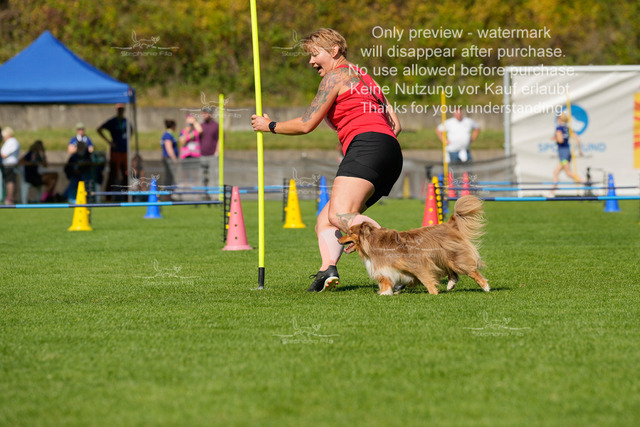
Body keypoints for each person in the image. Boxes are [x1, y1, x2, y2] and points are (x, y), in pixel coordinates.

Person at [251, 28, 402, 292]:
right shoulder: (366, 77)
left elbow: (306, 124)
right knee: (326, 219)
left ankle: (398, 265)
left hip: (367, 147)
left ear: (334, 51)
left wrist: (270, 126)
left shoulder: (336, 76)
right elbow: (395, 125)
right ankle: (327, 270)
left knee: (339, 214)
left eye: (314, 54)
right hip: (390, 151)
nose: (311, 62)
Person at [97, 103, 131, 196]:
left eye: (122, 109)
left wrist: (127, 141)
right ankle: (108, 196)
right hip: (116, 151)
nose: (121, 111)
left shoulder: (126, 121)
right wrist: (109, 142)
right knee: (113, 173)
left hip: (124, 151)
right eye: (119, 109)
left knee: (126, 174)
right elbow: (99, 129)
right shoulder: (113, 121)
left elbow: (131, 131)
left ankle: (126, 196)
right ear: (116, 110)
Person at [552, 112, 584, 186]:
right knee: (556, 172)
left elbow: (560, 140)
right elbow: (578, 139)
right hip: (567, 152)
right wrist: (580, 150)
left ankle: (584, 182)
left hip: (563, 153)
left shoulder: (559, 128)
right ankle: (552, 191)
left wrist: (555, 138)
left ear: (559, 119)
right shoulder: (568, 129)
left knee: (568, 173)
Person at [199, 106, 219, 190]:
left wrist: (217, 152)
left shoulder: (216, 126)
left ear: (210, 114)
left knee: (213, 177)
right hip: (202, 155)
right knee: (201, 177)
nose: (203, 115)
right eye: (203, 113)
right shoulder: (201, 126)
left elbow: (220, 139)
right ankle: (202, 194)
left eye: (205, 113)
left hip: (212, 156)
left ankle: (213, 195)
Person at [1, 126, 21, 204]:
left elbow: (4, 154)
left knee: (10, 181)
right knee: (8, 181)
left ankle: (10, 199)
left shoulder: (12, 142)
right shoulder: (9, 142)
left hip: (9, 165)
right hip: (7, 165)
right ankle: (8, 198)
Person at [161, 119, 179, 194]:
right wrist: (174, 159)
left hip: (169, 159)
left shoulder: (170, 134)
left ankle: (168, 194)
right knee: (169, 176)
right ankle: (166, 194)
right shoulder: (167, 135)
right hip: (168, 159)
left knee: (170, 176)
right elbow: (169, 149)